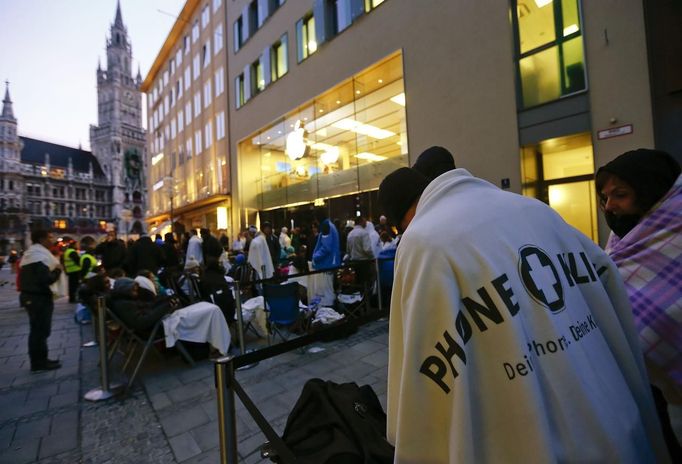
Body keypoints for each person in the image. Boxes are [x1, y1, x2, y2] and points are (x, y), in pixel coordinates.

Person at [377, 164, 670, 462]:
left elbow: (418, 384)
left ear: (404, 220)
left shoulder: (423, 242)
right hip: (619, 427)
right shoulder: (536, 210)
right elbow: (609, 290)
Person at [596, 148, 682, 459]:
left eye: (620, 195)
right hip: (658, 394)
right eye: (605, 198)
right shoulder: (625, 241)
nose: (610, 207)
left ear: (651, 191)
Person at [19, 230, 63, 372]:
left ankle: (42, 359)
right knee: (39, 330)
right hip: (37, 297)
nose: (53, 240)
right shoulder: (37, 256)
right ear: (42, 239)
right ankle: (38, 364)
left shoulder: (35, 253)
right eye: (50, 237)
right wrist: (57, 270)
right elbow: (45, 279)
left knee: (40, 330)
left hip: (35, 296)